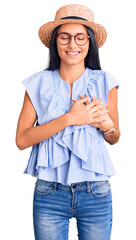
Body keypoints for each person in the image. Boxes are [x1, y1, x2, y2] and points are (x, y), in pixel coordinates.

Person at [15, 4, 120, 240]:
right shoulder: (37, 83)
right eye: (65, 37)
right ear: (55, 42)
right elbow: (21, 140)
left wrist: (108, 127)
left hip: (96, 192)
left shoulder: (105, 82)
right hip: (49, 193)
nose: (73, 45)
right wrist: (69, 119)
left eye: (80, 37)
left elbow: (114, 137)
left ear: (90, 43)